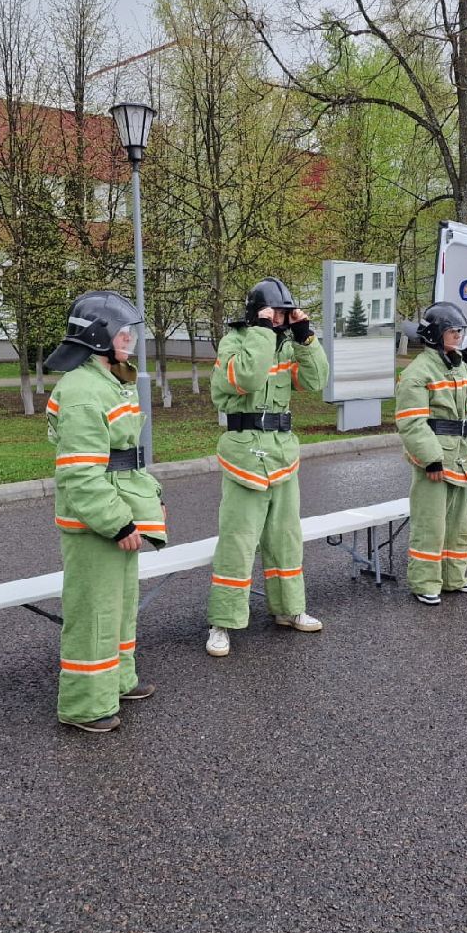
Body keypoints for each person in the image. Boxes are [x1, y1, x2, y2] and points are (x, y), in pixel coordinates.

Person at [44, 292, 166, 732]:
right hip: (97, 522)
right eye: (121, 331)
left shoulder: (111, 381)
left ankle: (117, 681)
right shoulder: (80, 391)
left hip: (117, 511)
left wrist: (145, 500)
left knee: (119, 606)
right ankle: (85, 705)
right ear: (97, 337)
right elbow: (80, 476)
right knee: (94, 614)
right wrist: (117, 521)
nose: (130, 338)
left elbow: (127, 457)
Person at [205, 277, 330, 657]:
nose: (281, 318)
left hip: (282, 453)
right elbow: (246, 378)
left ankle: (290, 609)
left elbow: (316, 380)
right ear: (258, 312)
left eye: (284, 313)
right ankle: (222, 622)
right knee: (238, 541)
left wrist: (306, 338)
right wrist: (261, 332)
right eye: (276, 311)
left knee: (285, 537)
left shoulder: (287, 346)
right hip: (245, 454)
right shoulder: (236, 342)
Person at [394, 302, 467, 605]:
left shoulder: (460, 367)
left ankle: (453, 578)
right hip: (436, 459)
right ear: (436, 334)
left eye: (460, 330)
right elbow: (411, 422)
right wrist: (430, 458)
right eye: (453, 331)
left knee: (458, 525)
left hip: (461, 457)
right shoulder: (417, 371)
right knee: (430, 524)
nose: (458, 335)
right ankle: (425, 583)